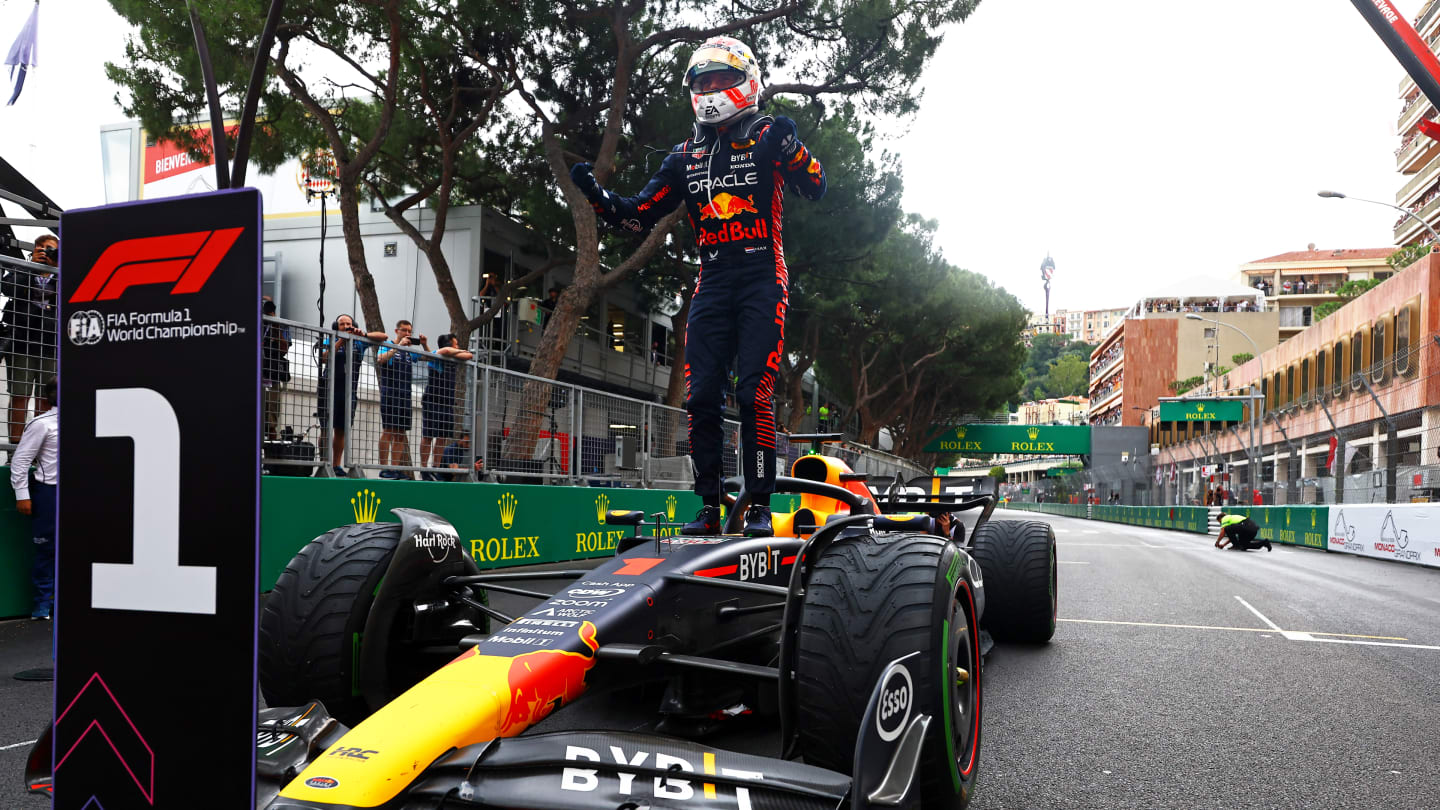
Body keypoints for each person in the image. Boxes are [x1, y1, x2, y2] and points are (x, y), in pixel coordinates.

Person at [570, 35, 826, 537]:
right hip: (711, 282)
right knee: (701, 396)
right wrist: (599, 199)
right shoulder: (684, 156)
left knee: (754, 393)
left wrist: (792, 148)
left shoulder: (768, 133)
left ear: (746, 82)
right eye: (701, 81)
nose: (710, 89)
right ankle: (709, 505)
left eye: (719, 80)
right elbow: (637, 215)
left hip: (762, 279)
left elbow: (815, 183)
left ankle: (756, 506)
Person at [4, 234, 58, 444]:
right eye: (41, 248)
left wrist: (57, 268)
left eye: (50, 249)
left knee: (46, 401)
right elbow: (7, 287)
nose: (46, 253)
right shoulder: (22, 269)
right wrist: (31, 266)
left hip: (50, 344)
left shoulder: (64, 274)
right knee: (19, 397)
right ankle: (14, 451)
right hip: (21, 343)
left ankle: (39, 452)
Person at [11, 375, 56, 620]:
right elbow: (20, 461)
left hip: (80, 493)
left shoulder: (88, 419)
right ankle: (42, 606)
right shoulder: (42, 423)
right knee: (47, 550)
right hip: (49, 492)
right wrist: (22, 495)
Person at [318, 314, 386, 477]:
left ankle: (336, 465)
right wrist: (342, 339)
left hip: (349, 392)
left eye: (349, 323)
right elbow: (324, 358)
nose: (346, 326)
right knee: (326, 428)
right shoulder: (331, 339)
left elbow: (383, 336)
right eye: (342, 324)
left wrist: (363, 335)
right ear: (336, 326)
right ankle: (324, 463)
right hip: (329, 388)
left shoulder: (359, 342)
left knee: (341, 429)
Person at [376, 320, 426, 479]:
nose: (407, 333)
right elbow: (380, 359)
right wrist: (397, 344)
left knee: (400, 432)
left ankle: (395, 468)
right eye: (404, 330)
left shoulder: (409, 351)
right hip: (390, 393)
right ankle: (384, 468)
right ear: (396, 330)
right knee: (388, 430)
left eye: (409, 331)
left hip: (405, 395)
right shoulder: (388, 344)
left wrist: (424, 344)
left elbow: (429, 357)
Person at [420, 333, 473, 480]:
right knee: (428, 435)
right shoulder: (436, 355)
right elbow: (445, 352)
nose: (457, 347)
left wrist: (458, 351)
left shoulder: (454, 357)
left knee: (442, 437)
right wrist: (457, 351)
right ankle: (423, 468)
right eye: (455, 344)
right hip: (432, 401)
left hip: (447, 403)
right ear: (448, 344)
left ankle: (435, 468)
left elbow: (469, 356)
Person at [261, 297, 291, 440]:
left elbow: (284, 349)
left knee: (271, 417)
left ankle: (271, 456)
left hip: (271, 375)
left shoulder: (281, 325)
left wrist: (275, 325)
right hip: (255, 373)